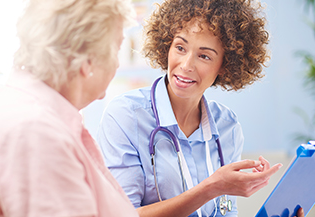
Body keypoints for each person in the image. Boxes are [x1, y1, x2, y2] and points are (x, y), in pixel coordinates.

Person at [96, 0, 305, 217]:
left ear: (225, 65)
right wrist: (211, 188)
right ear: (166, 45)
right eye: (180, 47)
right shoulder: (126, 115)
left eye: (204, 56)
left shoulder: (227, 126)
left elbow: (226, 212)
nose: (186, 65)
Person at [0, 0, 140, 216]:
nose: (117, 64)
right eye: (117, 48)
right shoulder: (35, 131)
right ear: (87, 60)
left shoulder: (26, 105)